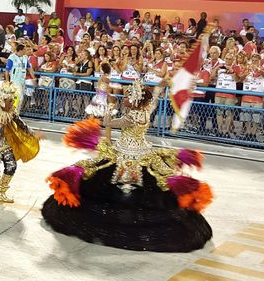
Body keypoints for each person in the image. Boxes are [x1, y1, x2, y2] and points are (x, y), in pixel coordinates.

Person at [42, 80, 213, 252]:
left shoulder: (130, 117)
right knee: (161, 179)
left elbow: (108, 123)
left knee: (95, 173)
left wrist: (110, 106)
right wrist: (161, 84)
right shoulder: (146, 111)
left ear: (135, 100)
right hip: (144, 151)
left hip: (125, 154)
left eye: (127, 96)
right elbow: (154, 98)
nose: (124, 97)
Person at [5, 43, 37, 114]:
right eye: (24, 49)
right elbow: (7, 71)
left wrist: (34, 78)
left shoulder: (25, 58)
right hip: (15, 81)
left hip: (22, 81)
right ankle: (13, 112)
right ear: (20, 50)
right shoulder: (12, 58)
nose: (26, 51)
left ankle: (16, 113)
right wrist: (7, 81)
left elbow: (29, 68)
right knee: (18, 97)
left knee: (20, 99)